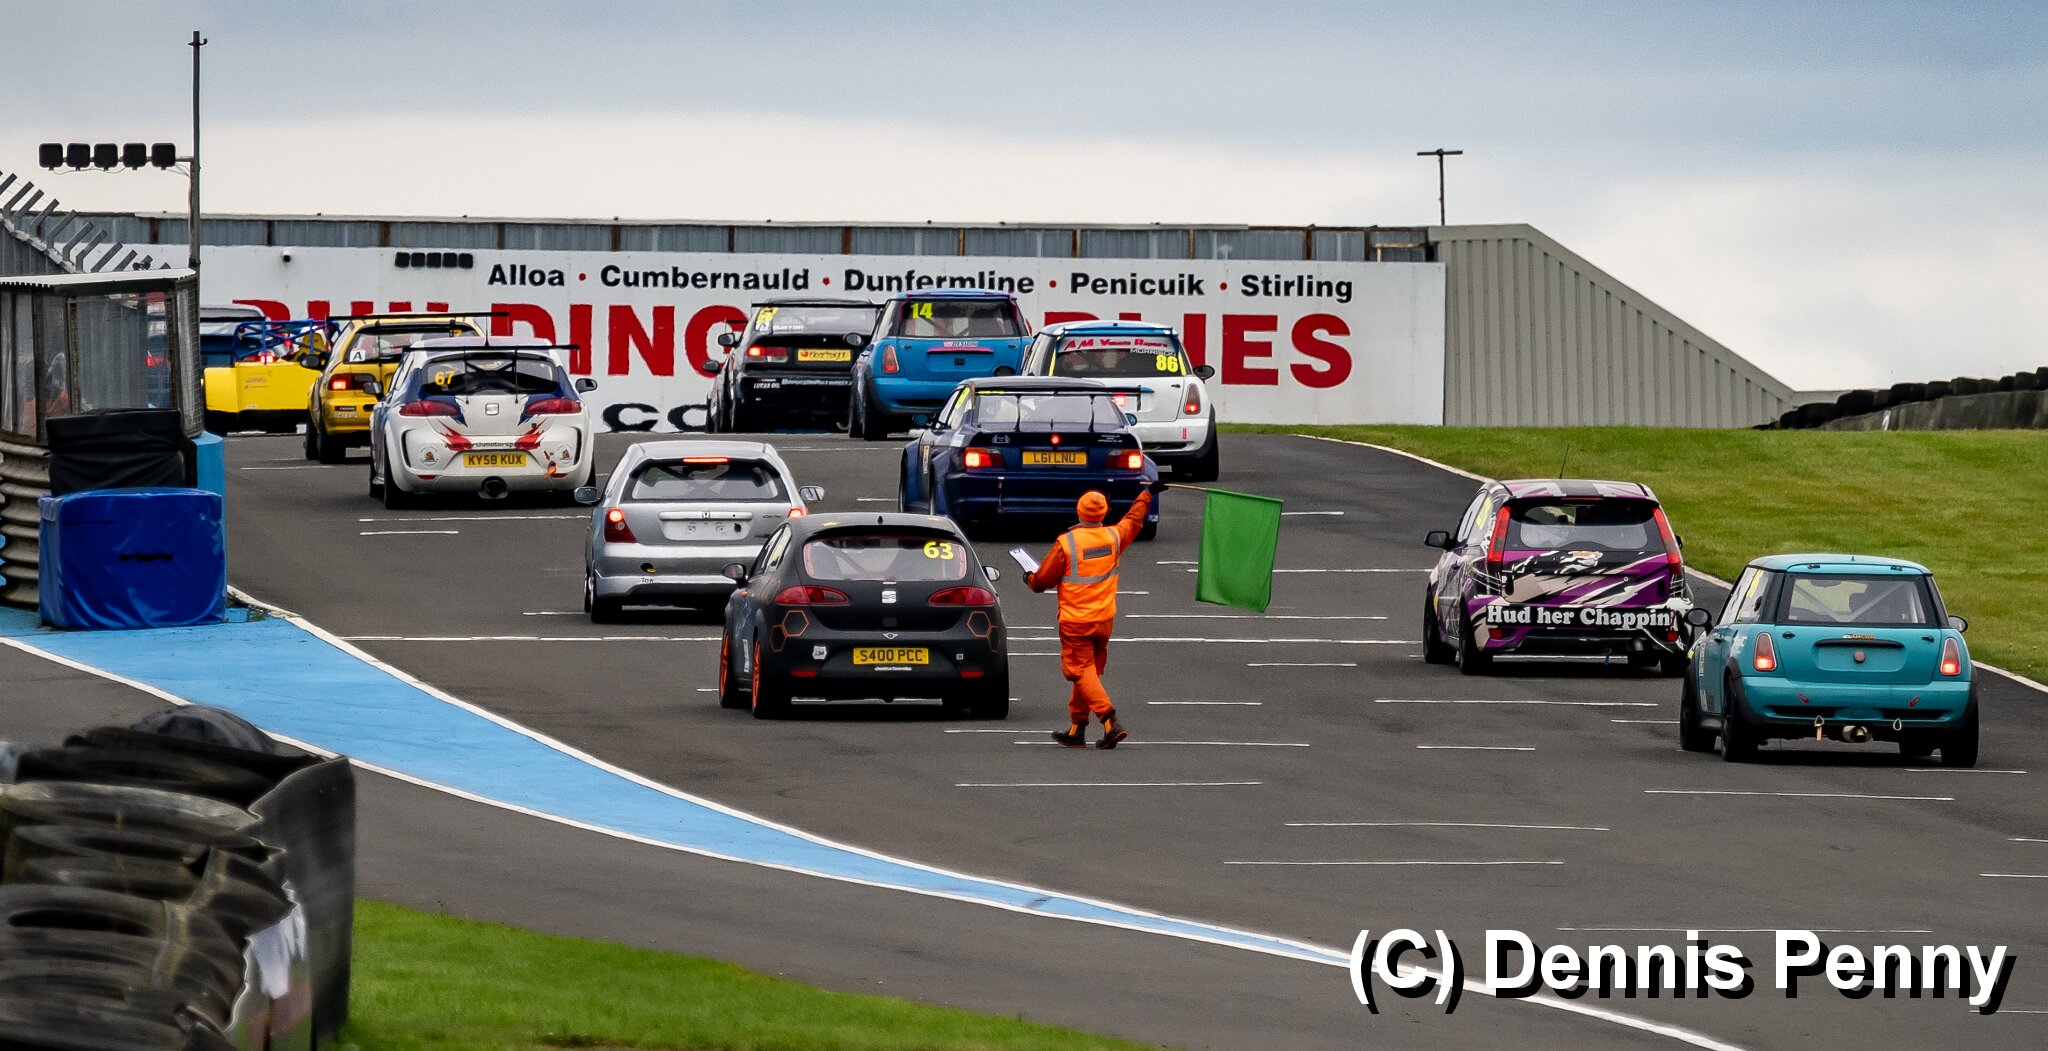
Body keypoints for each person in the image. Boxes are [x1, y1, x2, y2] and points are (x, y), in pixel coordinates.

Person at [1026, 481, 1164, 749]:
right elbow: (1133, 519)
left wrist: (1030, 579)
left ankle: (1109, 720)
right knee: (1087, 673)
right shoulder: (1114, 537)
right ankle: (1077, 728)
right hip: (1103, 620)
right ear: (1105, 511)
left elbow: (1042, 581)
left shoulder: (1067, 543)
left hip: (1076, 621)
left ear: (1079, 511)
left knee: (1079, 670)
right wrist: (1147, 494)